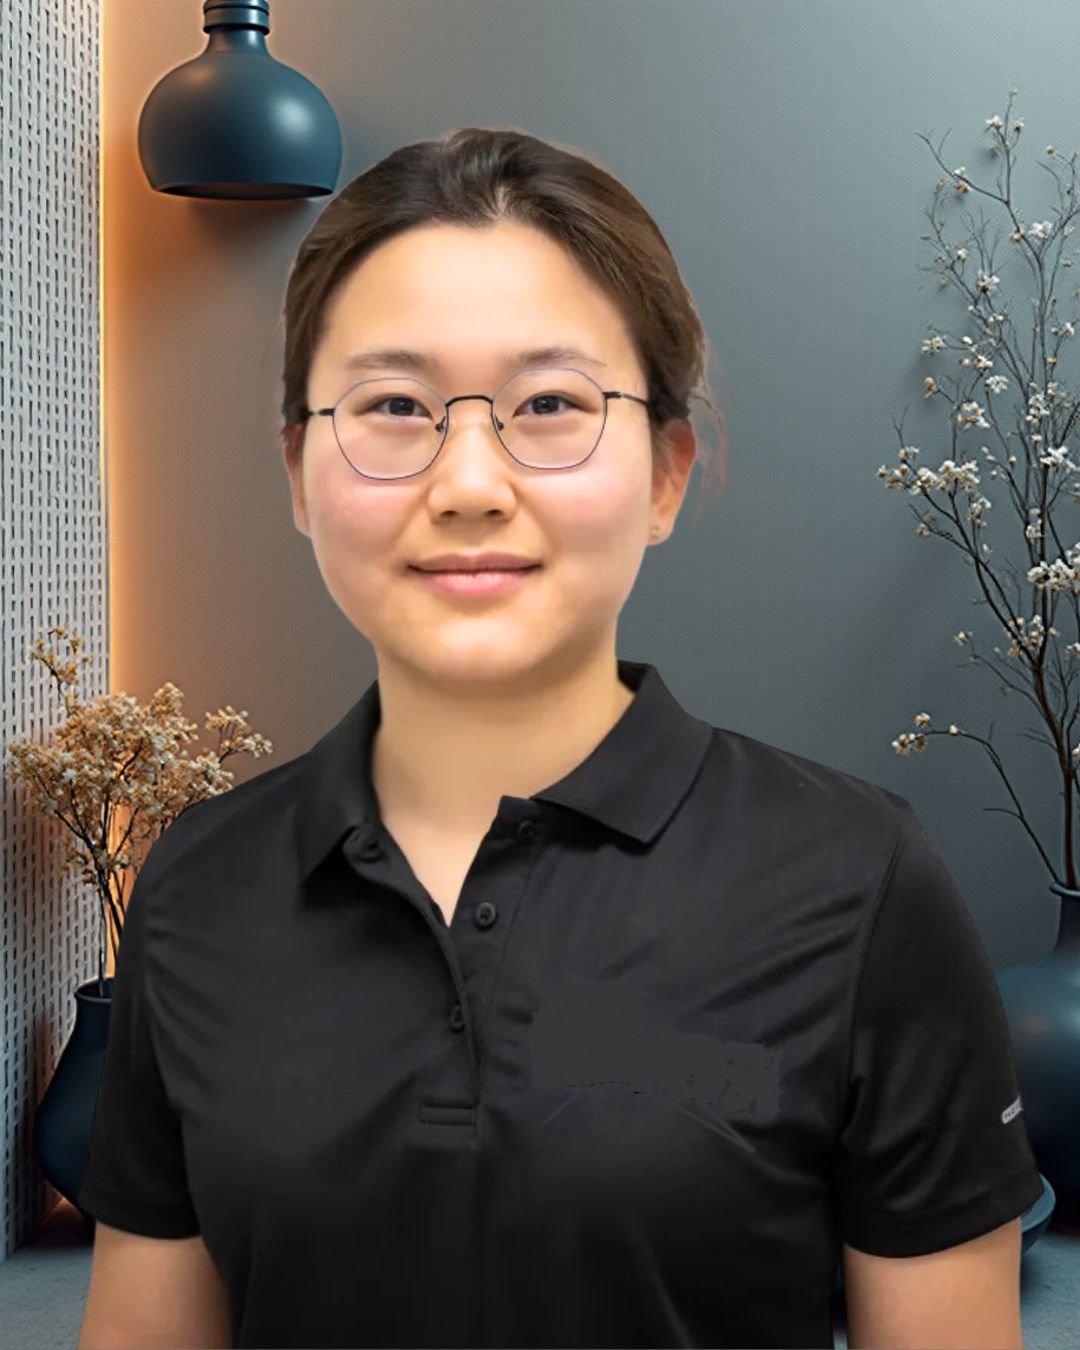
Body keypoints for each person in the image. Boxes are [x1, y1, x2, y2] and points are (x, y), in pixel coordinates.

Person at [78, 125, 1041, 1350]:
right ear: (297, 471)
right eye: (391, 405)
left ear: (666, 472)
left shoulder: (859, 884)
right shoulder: (197, 889)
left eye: (549, 404)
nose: (470, 479)